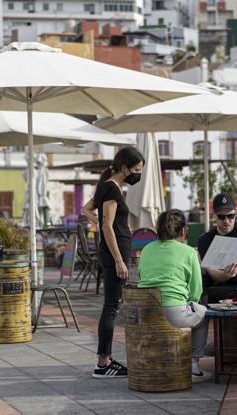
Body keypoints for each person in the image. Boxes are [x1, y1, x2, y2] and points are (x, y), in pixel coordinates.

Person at [82, 146, 145, 379]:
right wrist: (119, 260)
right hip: (113, 255)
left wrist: (99, 222)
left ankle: (105, 359)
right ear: (124, 167)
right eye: (136, 170)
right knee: (110, 308)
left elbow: (86, 209)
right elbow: (108, 226)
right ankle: (102, 363)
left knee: (112, 306)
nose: (137, 174)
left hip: (114, 252)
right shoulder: (111, 188)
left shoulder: (110, 185)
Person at [138, 209, 212, 382]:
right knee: (203, 312)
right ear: (184, 231)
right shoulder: (189, 252)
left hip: (145, 312)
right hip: (174, 312)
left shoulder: (146, 249)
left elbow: (142, 277)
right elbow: (196, 291)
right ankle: (193, 366)